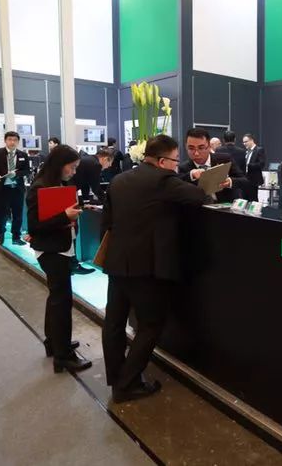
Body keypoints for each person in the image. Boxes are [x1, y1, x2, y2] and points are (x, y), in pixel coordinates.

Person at [101, 135, 211, 404]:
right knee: (151, 325)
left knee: (114, 322)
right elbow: (198, 196)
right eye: (175, 161)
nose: (176, 166)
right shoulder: (163, 180)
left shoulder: (119, 180)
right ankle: (127, 384)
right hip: (146, 268)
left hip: (117, 262)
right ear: (162, 161)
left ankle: (116, 377)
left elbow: (107, 221)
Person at [25, 144, 92, 373]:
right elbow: (34, 226)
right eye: (71, 167)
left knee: (57, 298)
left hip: (60, 247)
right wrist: (65, 216)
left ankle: (54, 342)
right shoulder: (39, 187)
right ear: (59, 164)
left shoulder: (56, 183)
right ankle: (63, 356)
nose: (73, 172)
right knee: (62, 301)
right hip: (52, 251)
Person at [179, 127, 248, 203]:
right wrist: (191, 175)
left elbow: (244, 181)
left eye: (201, 148)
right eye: (191, 148)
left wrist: (229, 181)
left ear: (209, 146)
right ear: (186, 147)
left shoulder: (224, 159)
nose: (196, 153)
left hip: (226, 207)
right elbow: (180, 188)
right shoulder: (184, 168)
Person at [0, 131, 31, 246]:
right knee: (2, 214)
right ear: (5, 141)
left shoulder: (23, 155)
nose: (12, 142)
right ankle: (0, 233)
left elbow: (27, 170)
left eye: (15, 140)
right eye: (10, 140)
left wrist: (16, 174)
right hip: (2, 189)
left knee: (18, 214)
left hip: (17, 189)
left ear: (18, 141)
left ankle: (16, 237)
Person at [243, 133, 266, 202]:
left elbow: (261, 164)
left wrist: (248, 165)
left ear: (251, 140)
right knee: (245, 198)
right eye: (243, 142)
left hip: (254, 179)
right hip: (246, 178)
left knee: (253, 199)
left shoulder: (259, 150)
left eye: (246, 142)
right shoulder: (246, 152)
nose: (244, 144)